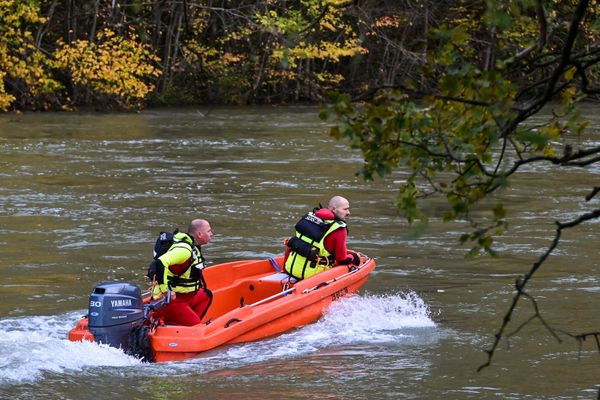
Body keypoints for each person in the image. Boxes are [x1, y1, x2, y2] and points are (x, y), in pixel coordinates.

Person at [149, 219, 214, 326]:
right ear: (199, 234)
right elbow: (160, 263)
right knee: (197, 328)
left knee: (206, 295)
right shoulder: (184, 250)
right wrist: (166, 291)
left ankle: (183, 325)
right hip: (173, 301)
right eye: (209, 231)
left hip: (185, 297)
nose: (211, 234)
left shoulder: (193, 246)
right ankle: (189, 327)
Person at [284, 196, 360, 280]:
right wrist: (354, 257)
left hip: (290, 269)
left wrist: (284, 269)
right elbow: (341, 259)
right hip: (313, 277)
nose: (348, 212)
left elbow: (291, 245)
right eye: (345, 209)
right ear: (334, 209)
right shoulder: (339, 229)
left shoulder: (308, 218)